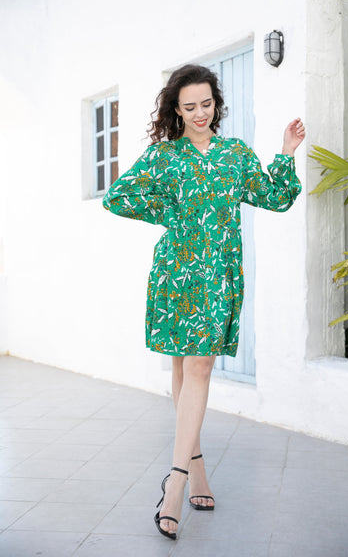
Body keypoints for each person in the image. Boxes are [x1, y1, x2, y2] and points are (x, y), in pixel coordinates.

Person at [102, 64, 304, 540]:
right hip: (176, 271)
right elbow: (118, 196)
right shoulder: (164, 156)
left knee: (199, 366)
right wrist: (171, 212)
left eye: (206, 104)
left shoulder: (236, 155)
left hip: (218, 273)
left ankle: (175, 482)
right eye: (189, 106)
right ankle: (193, 472)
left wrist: (286, 153)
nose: (199, 113)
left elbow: (276, 198)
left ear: (217, 103)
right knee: (183, 366)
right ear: (176, 109)